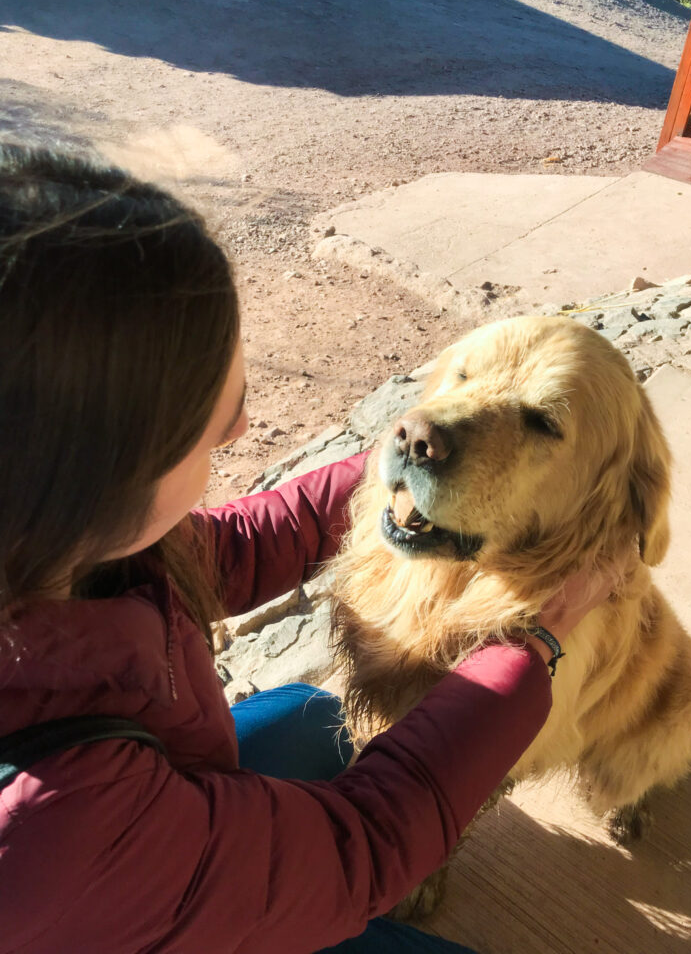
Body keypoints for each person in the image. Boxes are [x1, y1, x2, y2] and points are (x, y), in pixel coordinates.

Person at [0, 144, 620, 954]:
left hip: (150, 820)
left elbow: (216, 553)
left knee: (310, 712)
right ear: (91, 471)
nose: (242, 432)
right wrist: (531, 646)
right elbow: (355, 849)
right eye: (214, 427)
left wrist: (393, 472)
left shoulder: (58, 544)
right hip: (119, 882)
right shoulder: (61, 826)